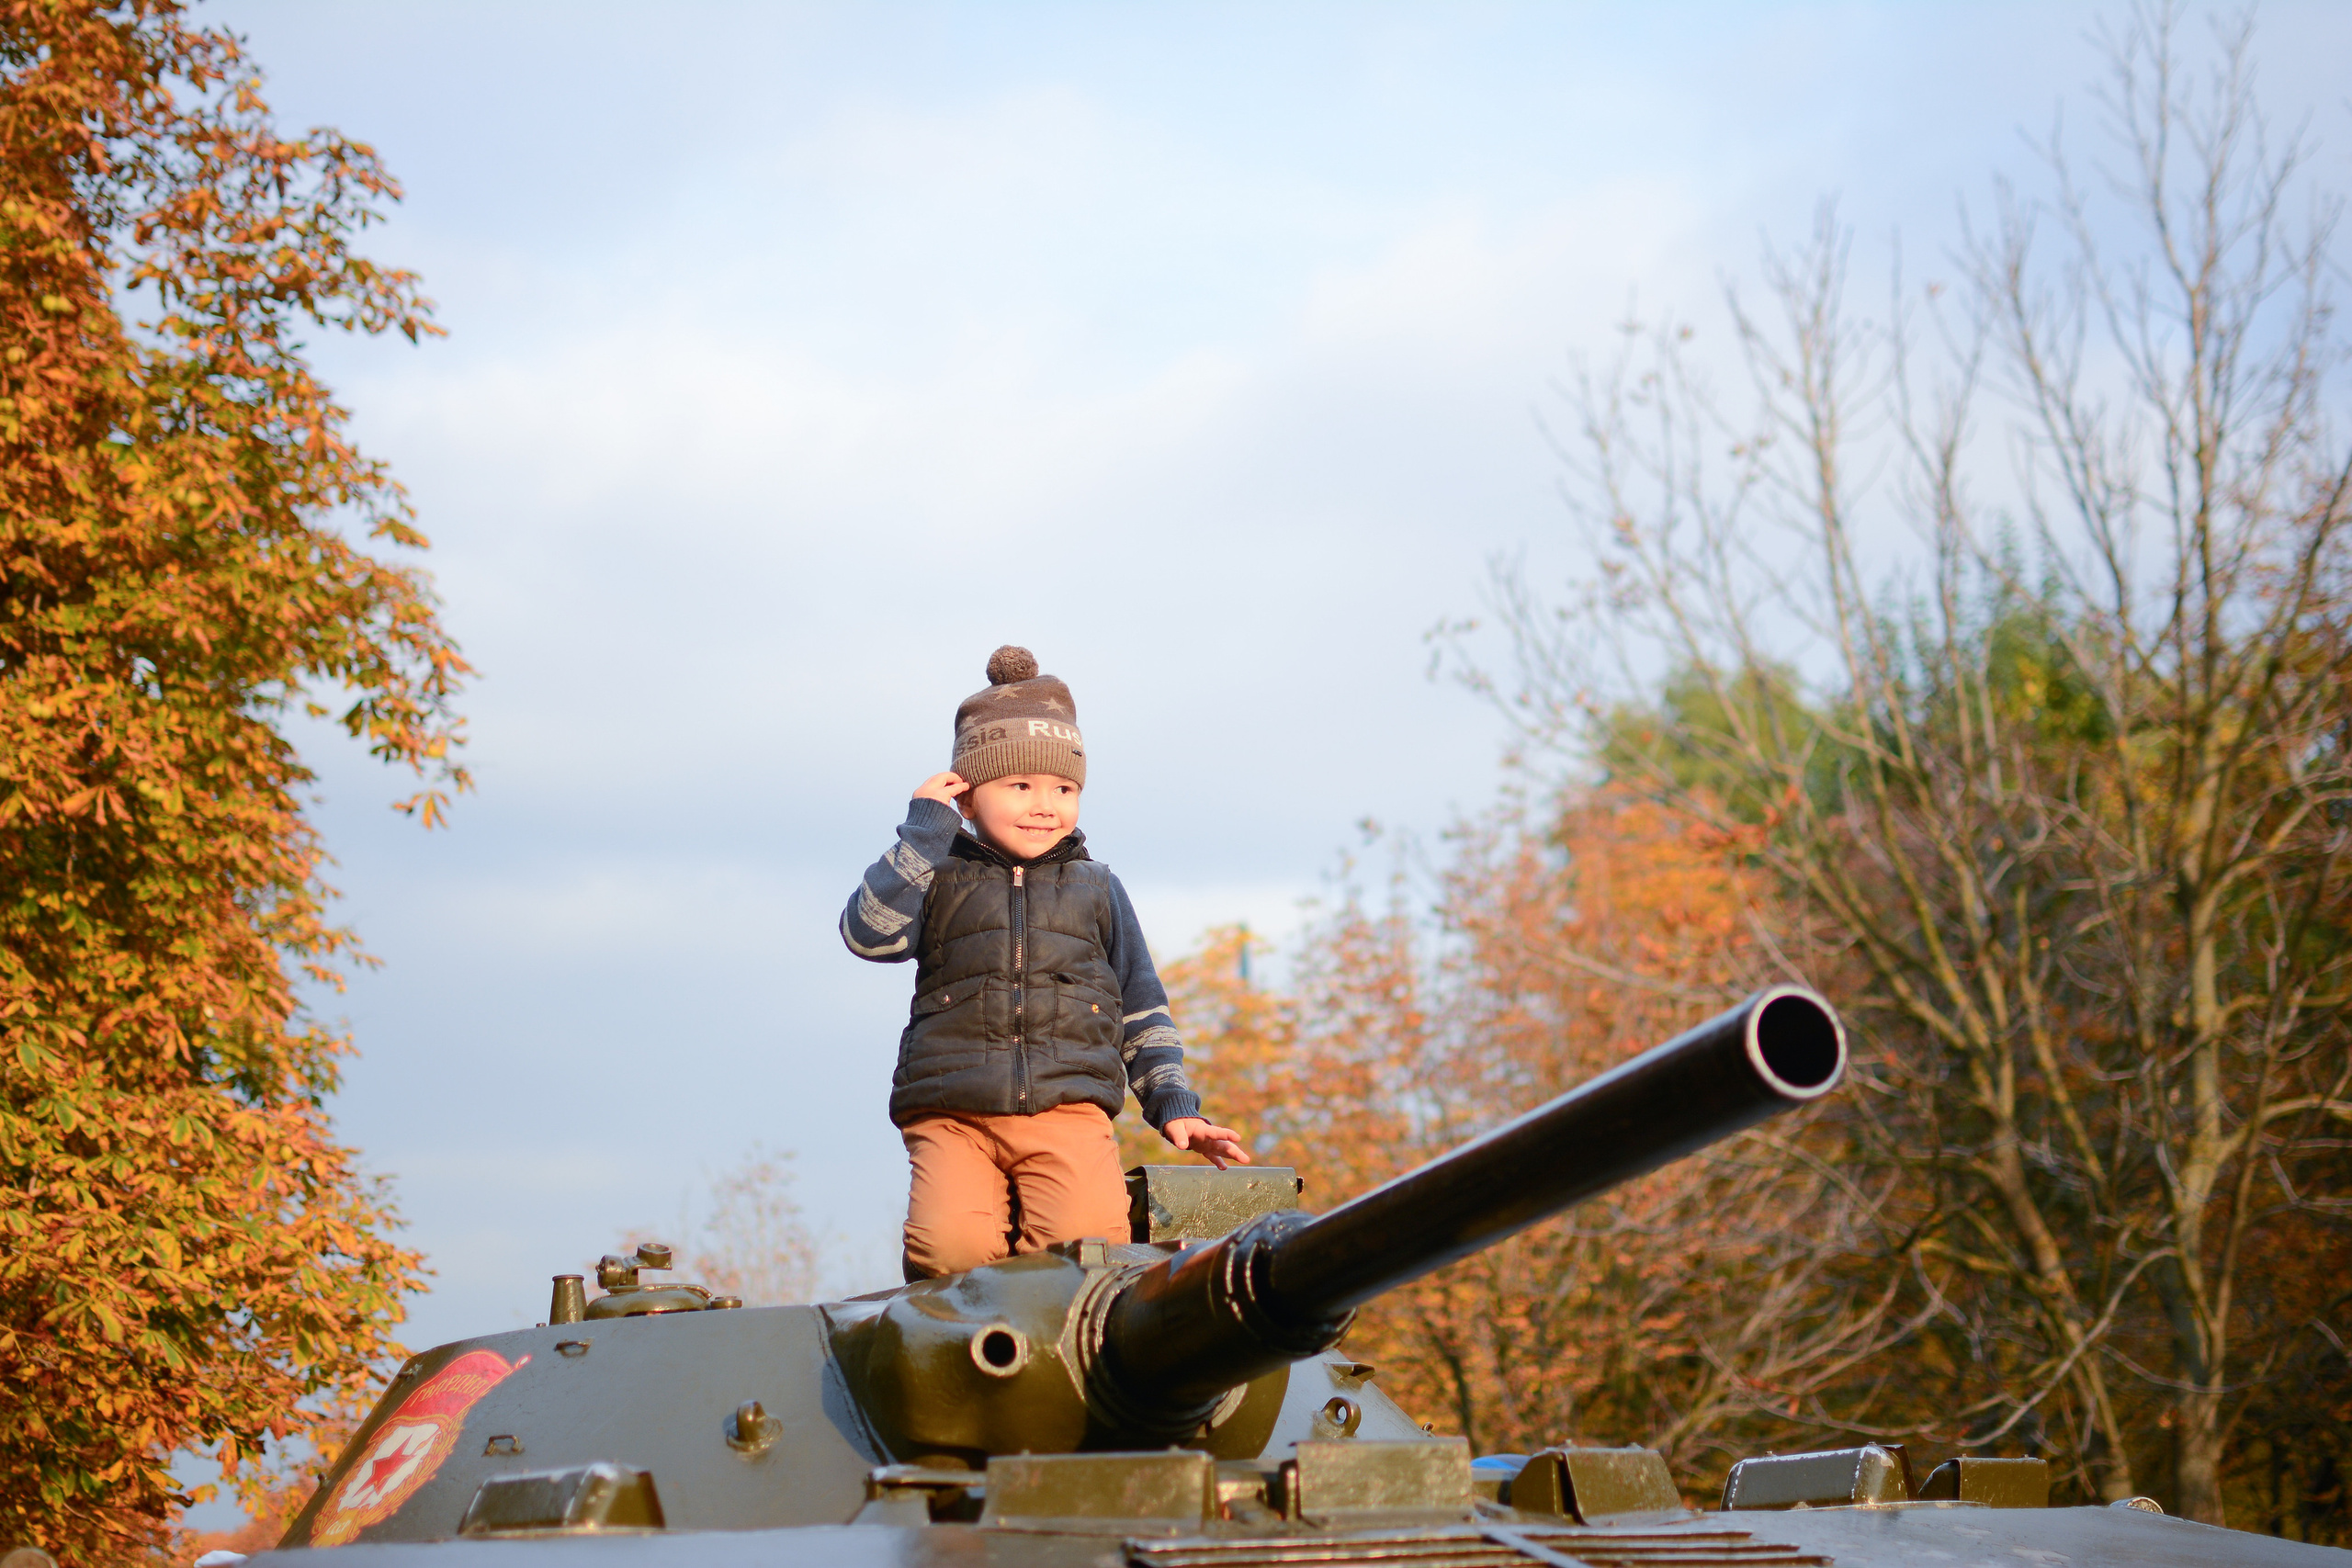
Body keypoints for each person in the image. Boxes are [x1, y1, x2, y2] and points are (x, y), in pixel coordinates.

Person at [841, 645, 1250, 1279]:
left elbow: (1141, 1004)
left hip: (1066, 1109)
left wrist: (1175, 1103)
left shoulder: (1097, 888)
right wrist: (923, 832)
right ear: (968, 797)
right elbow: (868, 934)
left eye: (1063, 787)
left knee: (1083, 1252)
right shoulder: (936, 875)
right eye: (1019, 784)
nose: (1044, 804)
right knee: (949, 1253)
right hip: (955, 1111)